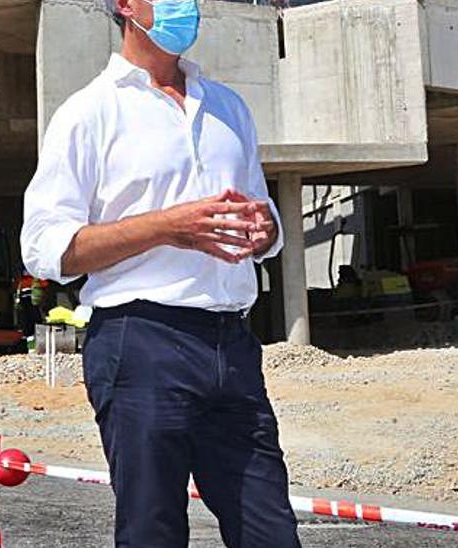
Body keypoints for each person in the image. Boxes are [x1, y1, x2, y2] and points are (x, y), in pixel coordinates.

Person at [19, 0, 300, 546]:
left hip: (233, 344)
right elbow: (44, 248)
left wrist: (266, 231)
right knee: (154, 531)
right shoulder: (89, 111)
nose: (187, 6)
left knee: (271, 531)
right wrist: (166, 227)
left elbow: (264, 216)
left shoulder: (228, 107)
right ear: (125, 5)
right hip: (140, 342)